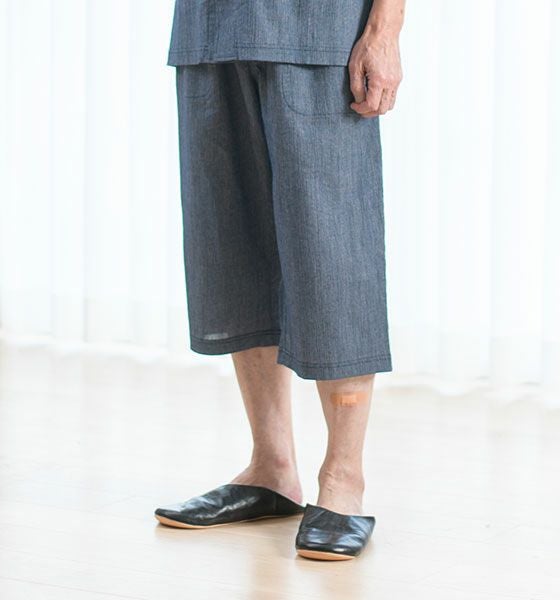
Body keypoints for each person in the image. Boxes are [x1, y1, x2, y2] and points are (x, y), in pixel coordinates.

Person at [155, 0, 405, 561]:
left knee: (332, 249)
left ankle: (344, 479)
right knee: (232, 245)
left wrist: (385, 29)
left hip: (320, 30)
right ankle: (271, 469)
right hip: (210, 30)